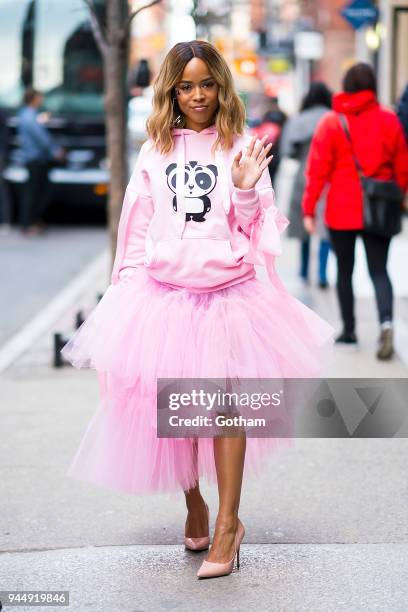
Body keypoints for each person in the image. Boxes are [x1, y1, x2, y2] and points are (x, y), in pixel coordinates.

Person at [61, 40, 334, 580]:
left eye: (206, 83)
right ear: (171, 90)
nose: (197, 95)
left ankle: (229, 526)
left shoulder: (243, 147)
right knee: (179, 416)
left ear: (221, 85)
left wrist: (247, 191)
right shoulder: (153, 152)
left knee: (226, 411)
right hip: (164, 297)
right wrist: (123, 289)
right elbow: (136, 231)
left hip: (229, 299)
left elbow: (262, 232)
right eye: (185, 85)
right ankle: (195, 504)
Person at [302, 63, 408, 359]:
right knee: (379, 270)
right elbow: (402, 164)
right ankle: (386, 322)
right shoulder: (388, 120)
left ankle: (349, 331)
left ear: (346, 86)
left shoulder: (332, 122)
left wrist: (309, 210)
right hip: (379, 207)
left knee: (344, 271)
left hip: (342, 209)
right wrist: (399, 196)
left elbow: (317, 171)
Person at [280, 82, 333, 288]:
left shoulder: (298, 120)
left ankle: (303, 271)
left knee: (305, 223)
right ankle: (322, 273)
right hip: (329, 177)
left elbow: (288, 151)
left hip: (304, 174)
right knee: (325, 225)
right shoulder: (333, 118)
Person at [17, 88, 64, 235]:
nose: (41, 100)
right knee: (34, 192)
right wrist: (55, 150)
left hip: (36, 158)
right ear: (33, 99)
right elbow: (41, 138)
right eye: (39, 97)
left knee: (37, 191)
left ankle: (33, 220)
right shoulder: (29, 116)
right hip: (35, 158)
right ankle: (28, 222)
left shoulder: (29, 115)